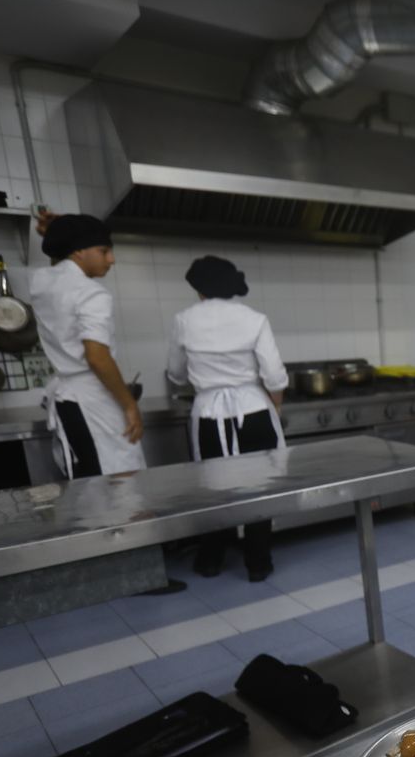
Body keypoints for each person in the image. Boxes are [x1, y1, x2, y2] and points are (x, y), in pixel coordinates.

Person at [166, 255, 289, 582]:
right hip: (254, 410)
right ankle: (258, 563)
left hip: (209, 415)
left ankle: (210, 560)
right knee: (260, 488)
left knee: (213, 490)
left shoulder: (184, 320)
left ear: (199, 289)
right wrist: (273, 408)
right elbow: (275, 377)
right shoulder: (254, 319)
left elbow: (176, 374)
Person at [30, 213, 143, 477]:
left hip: (68, 401)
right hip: (94, 401)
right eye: (104, 251)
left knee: (94, 481)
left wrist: (57, 233)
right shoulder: (91, 292)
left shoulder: (42, 282)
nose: (111, 259)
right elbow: (97, 357)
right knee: (122, 485)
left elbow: (59, 264)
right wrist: (129, 405)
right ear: (79, 252)